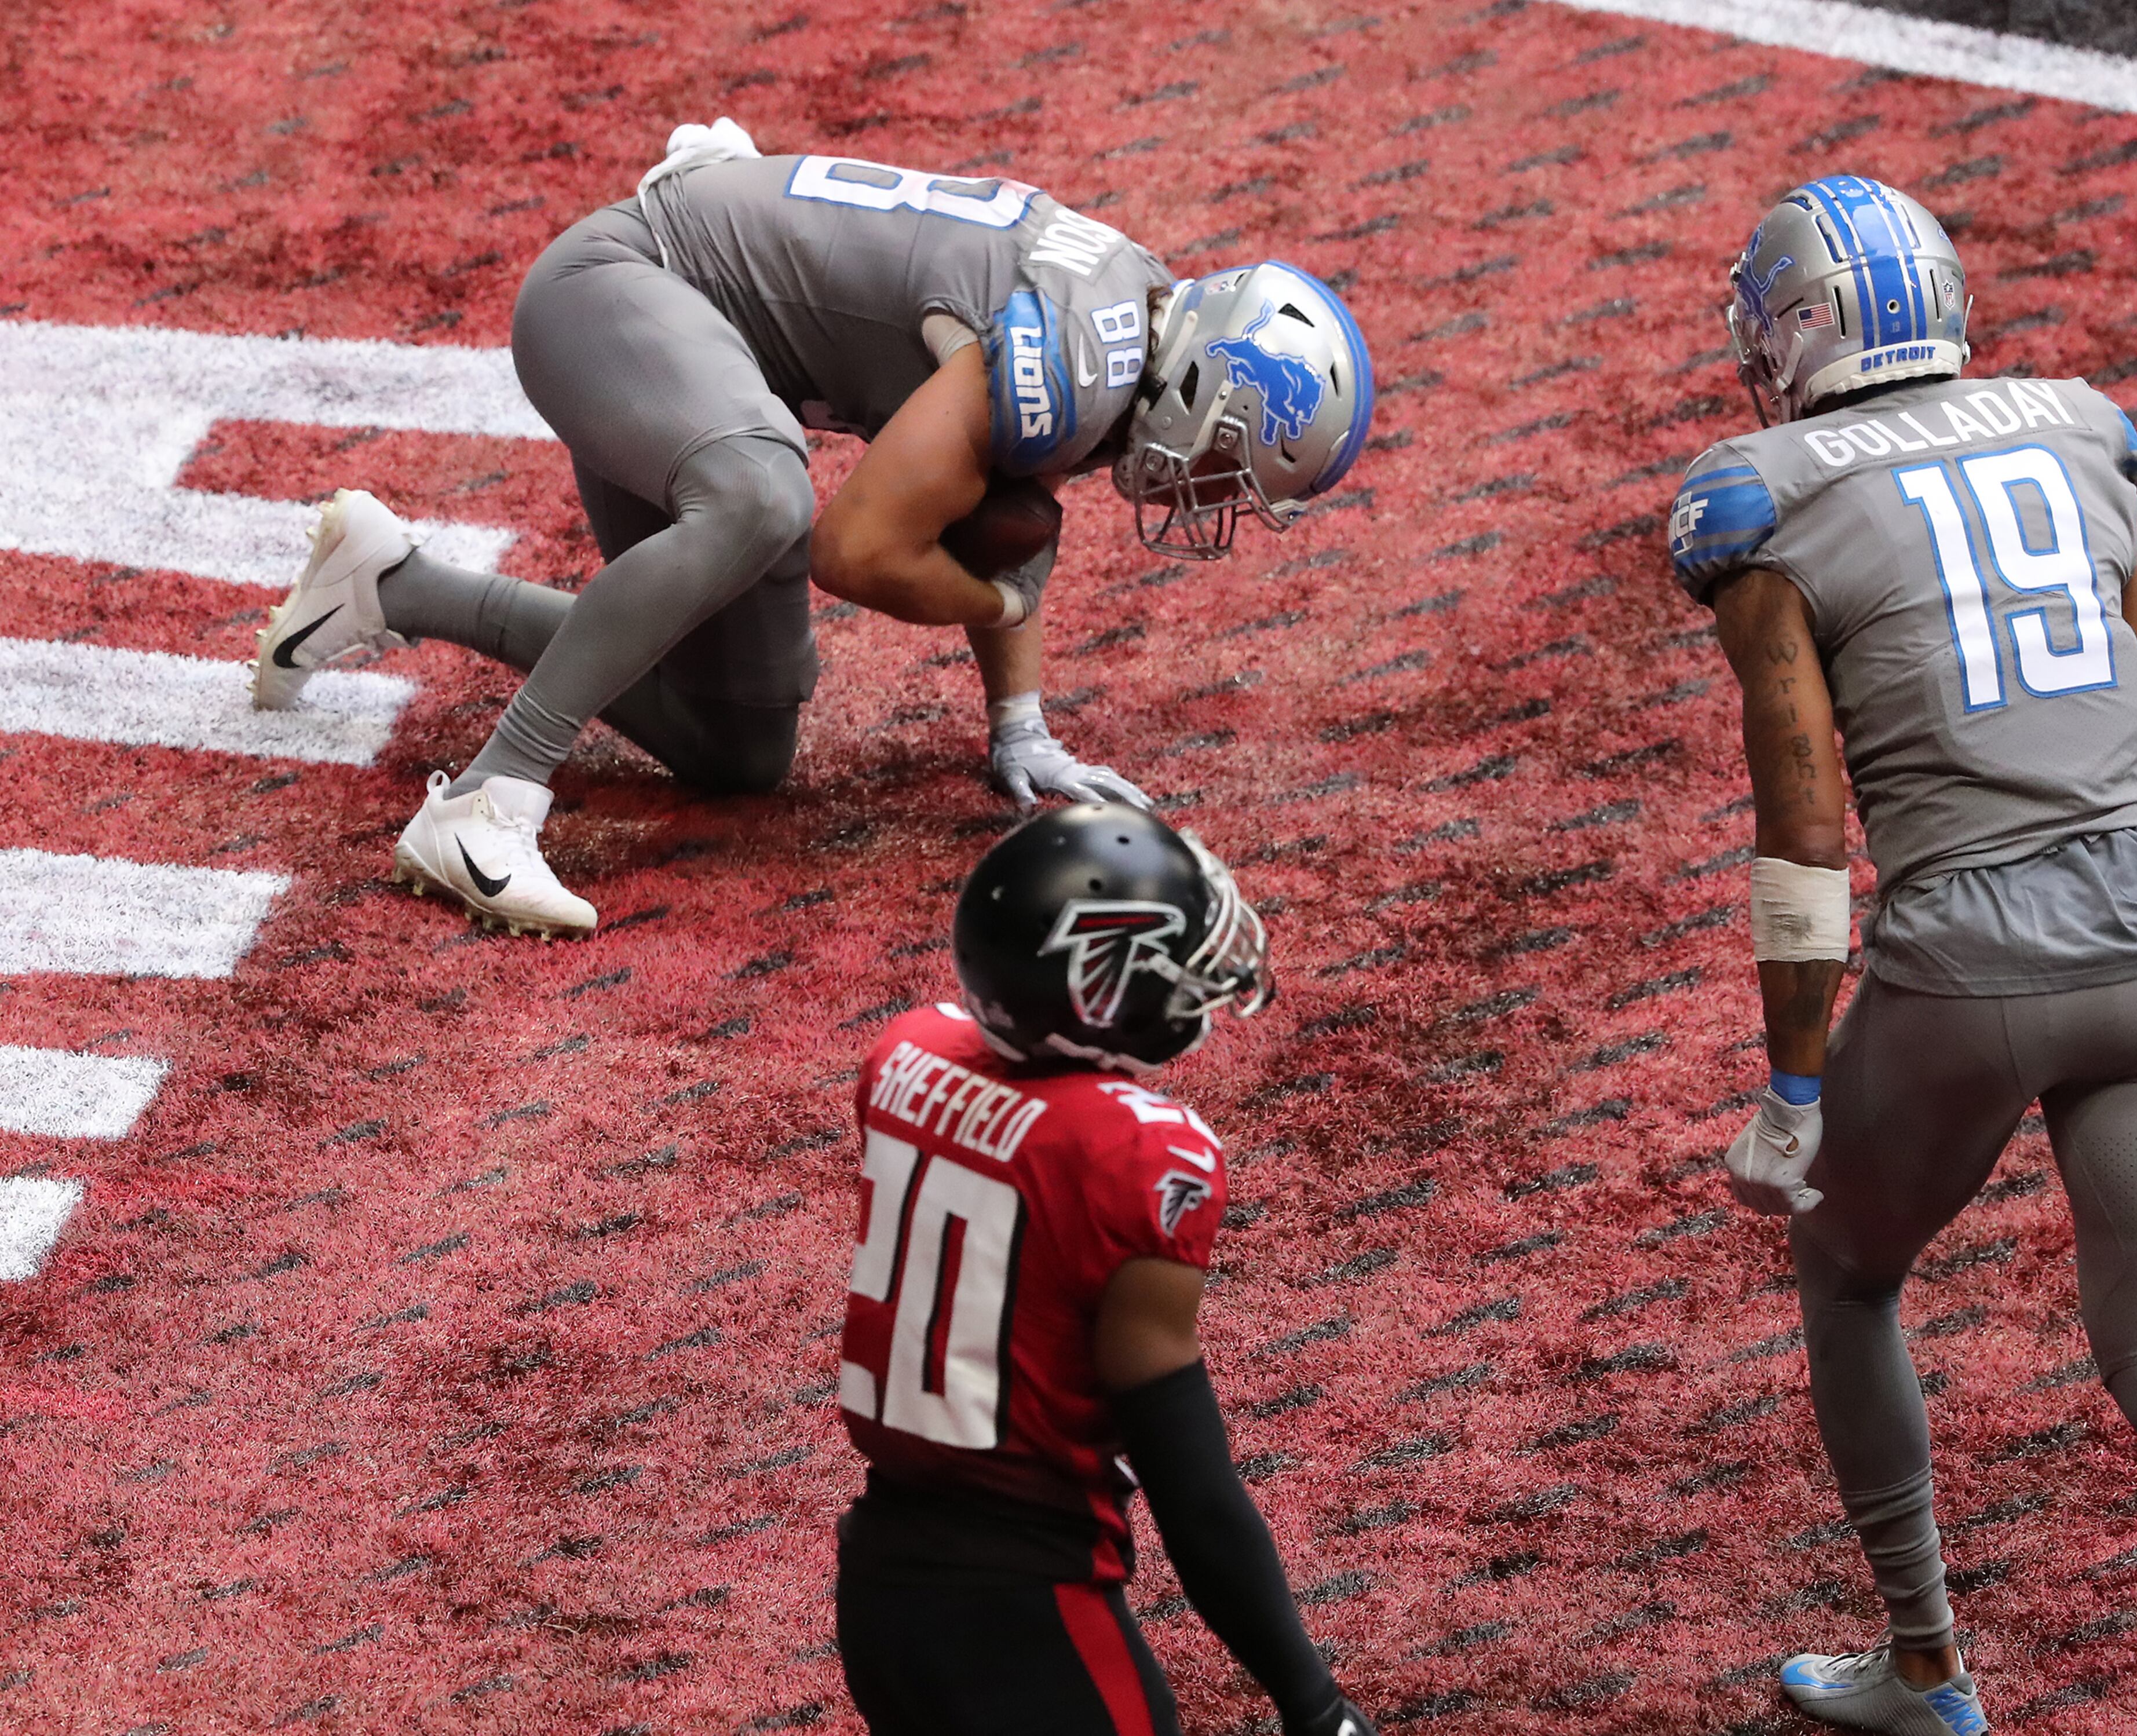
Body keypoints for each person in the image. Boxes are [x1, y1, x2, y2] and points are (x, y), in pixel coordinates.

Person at [246, 120, 1373, 938]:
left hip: (696, 349)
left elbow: (1009, 502)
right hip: (617, 292)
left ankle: (394, 582)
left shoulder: (1118, 329)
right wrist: (988, 602)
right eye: (1232, 459)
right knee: (762, 496)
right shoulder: (1083, 360)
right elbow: (862, 548)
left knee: (736, 750)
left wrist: (1019, 723)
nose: (1212, 493)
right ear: (1210, 390)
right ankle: (493, 798)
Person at [1671, 175, 2137, 1735]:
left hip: (1973, 957)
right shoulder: (2078, 426)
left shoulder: (1761, 493)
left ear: (1799, 325)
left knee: (1844, 1269)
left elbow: (1804, 823)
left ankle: (1926, 1664)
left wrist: (1790, 1085)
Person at [832, 803, 1373, 1736]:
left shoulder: (904, 1056)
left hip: (880, 1584)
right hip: (1028, 1613)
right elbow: (1193, 1491)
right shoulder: (1138, 1156)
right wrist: (1312, 1700)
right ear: (1094, 987)